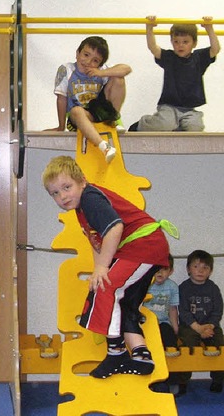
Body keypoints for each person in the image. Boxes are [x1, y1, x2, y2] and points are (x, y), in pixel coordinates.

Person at [42, 156, 170, 379]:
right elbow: (98, 243)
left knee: (105, 288)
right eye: (55, 193)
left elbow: (114, 228)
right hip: (144, 247)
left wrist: (102, 269)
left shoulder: (90, 198)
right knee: (124, 301)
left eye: (66, 187)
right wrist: (98, 267)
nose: (62, 196)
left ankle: (117, 354)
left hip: (143, 245)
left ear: (82, 181)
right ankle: (141, 356)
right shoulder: (82, 209)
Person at [48, 36, 132, 163]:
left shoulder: (100, 71)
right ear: (77, 53)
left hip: (97, 111)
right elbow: (61, 98)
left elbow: (126, 69)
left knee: (118, 78)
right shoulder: (67, 69)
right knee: (76, 110)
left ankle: (112, 120)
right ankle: (104, 147)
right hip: (79, 117)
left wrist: (101, 73)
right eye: (86, 55)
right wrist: (60, 126)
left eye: (95, 61)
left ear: (100, 64)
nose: (88, 62)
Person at [130, 16, 221, 132]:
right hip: (169, 107)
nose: (180, 45)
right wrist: (149, 28)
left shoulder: (199, 58)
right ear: (172, 42)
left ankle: (178, 126)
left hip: (189, 109)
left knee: (196, 128)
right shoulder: (169, 57)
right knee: (164, 125)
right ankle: (141, 124)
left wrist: (209, 28)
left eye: (185, 42)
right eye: (176, 42)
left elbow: (215, 49)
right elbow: (153, 47)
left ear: (194, 43)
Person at [177, 249, 224, 395]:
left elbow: (218, 310)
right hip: (190, 326)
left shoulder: (213, 288)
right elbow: (183, 311)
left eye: (205, 267)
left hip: (210, 326)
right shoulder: (183, 288)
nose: (200, 271)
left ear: (210, 271)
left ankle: (218, 379)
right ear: (188, 269)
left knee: (220, 346)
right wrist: (198, 328)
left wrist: (209, 326)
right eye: (196, 266)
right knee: (187, 348)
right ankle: (183, 381)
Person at [143, 254, 180, 393]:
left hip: (163, 323)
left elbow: (172, 309)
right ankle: (152, 381)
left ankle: (173, 379)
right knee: (147, 350)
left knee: (171, 346)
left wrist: (175, 327)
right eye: (156, 269)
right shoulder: (144, 284)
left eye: (164, 269)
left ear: (170, 271)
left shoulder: (172, 287)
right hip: (145, 324)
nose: (160, 272)